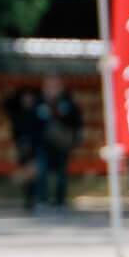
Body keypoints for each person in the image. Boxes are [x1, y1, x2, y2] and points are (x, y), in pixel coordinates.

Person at [27, 74, 82, 211]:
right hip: (43, 145)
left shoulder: (67, 103)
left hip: (61, 145)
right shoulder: (38, 103)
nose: (51, 89)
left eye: (55, 86)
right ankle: (42, 200)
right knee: (42, 172)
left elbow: (75, 122)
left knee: (61, 174)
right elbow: (31, 125)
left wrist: (61, 115)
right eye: (48, 86)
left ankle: (60, 201)